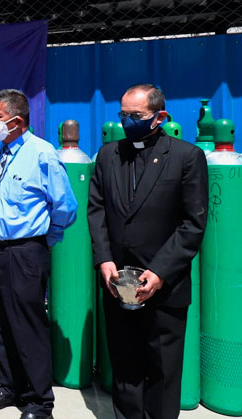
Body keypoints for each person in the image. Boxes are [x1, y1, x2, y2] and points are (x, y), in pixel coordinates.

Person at [88, 84, 207, 419]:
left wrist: (159, 272)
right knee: (125, 366)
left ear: (160, 117)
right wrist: (104, 259)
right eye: (123, 115)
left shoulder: (186, 156)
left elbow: (193, 223)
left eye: (136, 115)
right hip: (118, 283)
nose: (127, 121)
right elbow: (96, 211)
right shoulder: (108, 155)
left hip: (164, 286)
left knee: (162, 370)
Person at [0, 89, 77, 419]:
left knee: (27, 327)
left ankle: (39, 402)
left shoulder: (42, 154)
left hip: (25, 252)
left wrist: (47, 239)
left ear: (17, 121)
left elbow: (65, 206)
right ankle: (9, 386)